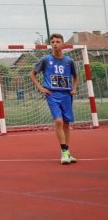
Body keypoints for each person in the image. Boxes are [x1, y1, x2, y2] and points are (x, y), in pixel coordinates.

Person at [29, 33, 78, 165]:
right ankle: (64, 152)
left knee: (67, 124)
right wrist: (41, 88)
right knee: (58, 121)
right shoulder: (46, 59)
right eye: (53, 42)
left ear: (62, 44)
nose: (55, 44)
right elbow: (32, 74)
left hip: (66, 95)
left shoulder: (69, 61)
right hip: (52, 94)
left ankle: (67, 151)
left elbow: (75, 77)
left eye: (57, 41)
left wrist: (73, 88)